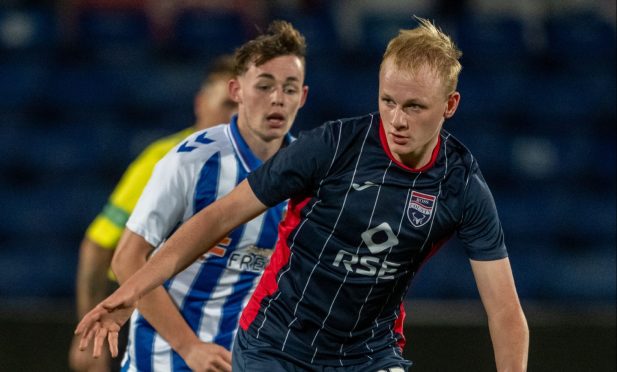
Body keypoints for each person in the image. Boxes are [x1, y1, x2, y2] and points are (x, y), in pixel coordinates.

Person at [76, 17, 529, 371]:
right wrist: (129, 295)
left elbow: (505, 310)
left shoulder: (462, 184)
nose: (397, 119)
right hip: (276, 347)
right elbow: (215, 218)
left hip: (367, 354)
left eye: (414, 107)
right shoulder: (328, 148)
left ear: (449, 106)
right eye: (388, 101)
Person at [78, 20, 309, 372]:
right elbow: (125, 259)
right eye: (264, 86)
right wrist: (190, 347)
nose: (277, 98)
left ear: (303, 96)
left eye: (289, 88)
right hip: (164, 357)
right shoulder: (189, 161)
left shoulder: (309, 173)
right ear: (238, 91)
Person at [68, 55, 237, 372]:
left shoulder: (263, 169)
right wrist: (88, 338)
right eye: (227, 105)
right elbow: (98, 246)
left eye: (242, 106)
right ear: (201, 103)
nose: (236, 116)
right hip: (154, 323)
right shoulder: (164, 162)